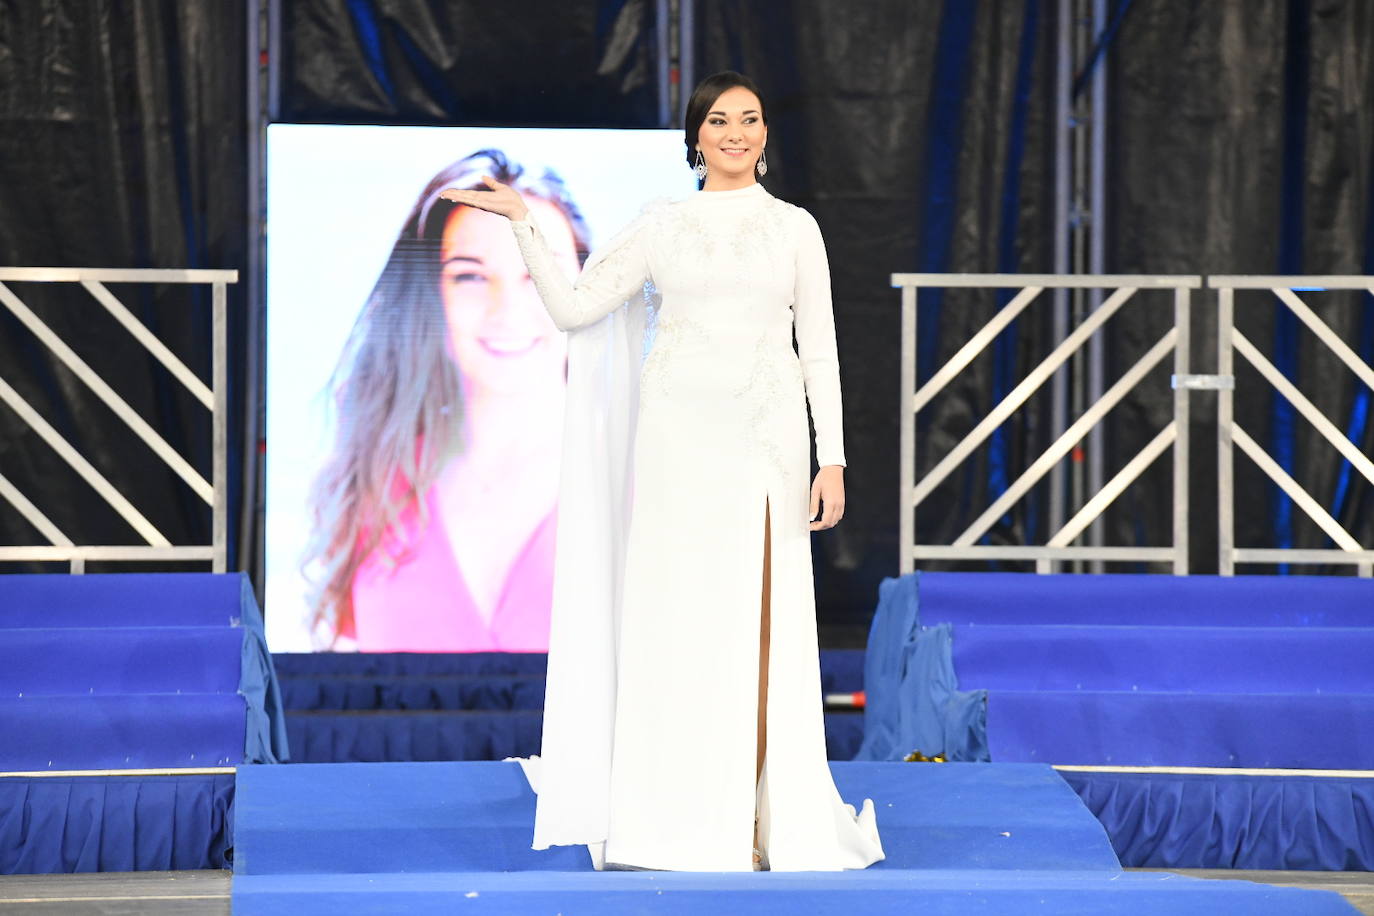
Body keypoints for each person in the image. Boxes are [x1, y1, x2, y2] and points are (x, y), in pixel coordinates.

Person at [443, 72, 884, 872]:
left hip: (766, 443)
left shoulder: (795, 229)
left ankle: (763, 820)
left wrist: (833, 457)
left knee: (763, 622)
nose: (738, 133)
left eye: (750, 119)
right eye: (720, 121)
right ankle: (679, 815)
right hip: (678, 444)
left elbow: (818, 348)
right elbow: (578, 308)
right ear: (695, 137)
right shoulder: (661, 224)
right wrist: (521, 227)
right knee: (678, 623)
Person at [303, 150, 588, 652]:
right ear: (431, 295)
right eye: (471, 276)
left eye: (540, 273)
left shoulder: (649, 474)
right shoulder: (373, 483)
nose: (509, 309)